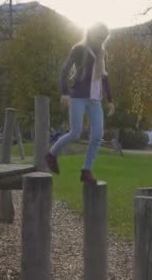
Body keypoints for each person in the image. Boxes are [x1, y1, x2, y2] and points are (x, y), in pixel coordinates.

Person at [44, 22, 115, 184]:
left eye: (104, 38)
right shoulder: (79, 49)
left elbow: (105, 77)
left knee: (98, 134)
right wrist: (64, 93)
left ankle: (86, 170)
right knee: (75, 132)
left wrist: (110, 100)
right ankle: (51, 154)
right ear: (91, 33)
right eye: (99, 37)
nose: (101, 41)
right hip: (78, 97)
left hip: (95, 99)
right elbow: (64, 70)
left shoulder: (102, 54)